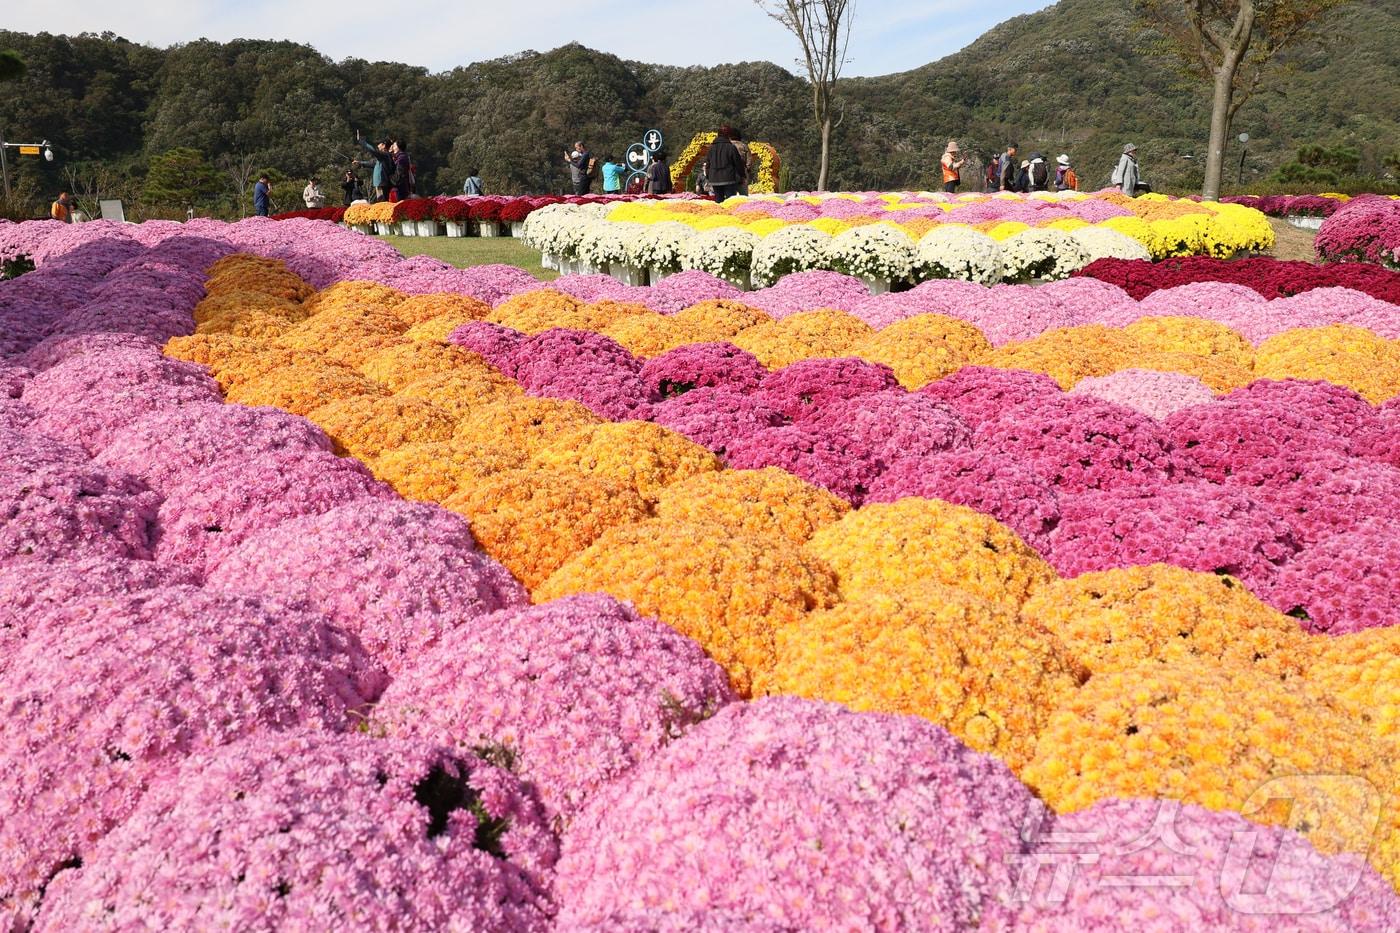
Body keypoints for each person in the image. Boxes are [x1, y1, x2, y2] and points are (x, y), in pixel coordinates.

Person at [704, 125, 746, 202]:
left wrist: (708, 176)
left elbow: (708, 164)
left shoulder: (711, 148)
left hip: (714, 179)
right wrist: (742, 175)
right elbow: (738, 163)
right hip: (728, 178)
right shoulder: (731, 147)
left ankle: (720, 214)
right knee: (730, 202)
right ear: (728, 135)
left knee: (718, 200)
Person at [355, 132, 394, 202]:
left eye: (379, 144)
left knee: (382, 202)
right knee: (381, 201)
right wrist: (360, 163)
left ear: (383, 145)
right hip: (380, 183)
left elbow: (373, 150)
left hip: (382, 183)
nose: (378, 146)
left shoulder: (385, 155)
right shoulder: (383, 156)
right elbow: (373, 163)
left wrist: (363, 142)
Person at [731, 129, 753, 196]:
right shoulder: (744, 146)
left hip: (730, 173)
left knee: (731, 197)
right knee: (744, 195)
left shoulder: (727, 145)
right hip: (743, 172)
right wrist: (748, 169)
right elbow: (749, 160)